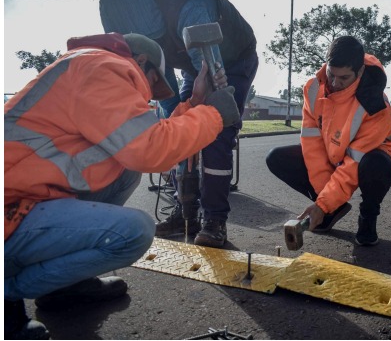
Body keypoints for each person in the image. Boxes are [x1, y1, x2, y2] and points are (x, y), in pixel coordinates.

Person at [4, 32, 239, 339]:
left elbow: (150, 143)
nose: (150, 94)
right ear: (141, 61)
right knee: (134, 233)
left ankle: (63, 287)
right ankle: (7, 293)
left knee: (125, 173)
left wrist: (195, 103)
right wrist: (214, 114)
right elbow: (151, 149)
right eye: (154, 82)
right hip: (11, 208)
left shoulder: (86, 65)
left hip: (25, 195)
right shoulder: (103, 67)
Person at [99, 0, 259, 248]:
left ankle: (214, 219)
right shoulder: (127, 22)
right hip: (190, 68)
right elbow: (166, 96)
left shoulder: (191, 8)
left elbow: (211, 74)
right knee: (175, 129)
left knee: (216, 131)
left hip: (230, 61)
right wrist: (172, 123)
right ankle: (184, 211)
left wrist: (213, 108)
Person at [266, 36, 391, 246]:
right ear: (326, 64)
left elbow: (353, 163)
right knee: (277, 158)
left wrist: (322, 205)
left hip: (372, 156)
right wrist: (324, 203)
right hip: (334, 153)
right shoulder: (313, 89)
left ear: (360, 72)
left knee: (374, 165)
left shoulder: (376, 105)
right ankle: (332, 210)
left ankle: (368, 217)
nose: (335, 83)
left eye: (344, 78)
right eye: (331, 74)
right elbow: (313, 147)